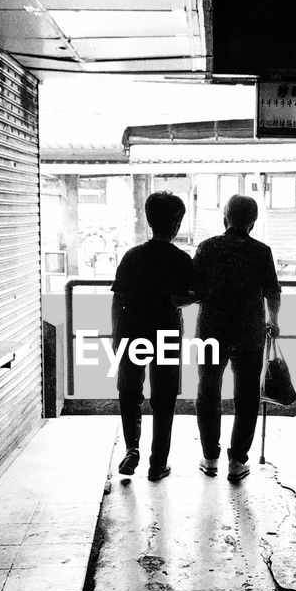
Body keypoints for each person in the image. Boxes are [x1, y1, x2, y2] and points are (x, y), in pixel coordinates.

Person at [192, 194, 281, 481]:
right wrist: (273, 321)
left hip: (211, 330)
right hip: (249, 333)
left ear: (225, 218)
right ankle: (237, 461)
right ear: (253, 223)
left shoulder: (207, 248)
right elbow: (273, 292)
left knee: (208, 392)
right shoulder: (261, 251)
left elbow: (194, 290)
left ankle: (209, 458)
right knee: (246, 397)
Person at [110, 191, 193, 481]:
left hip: (131, 331)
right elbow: (184, 297)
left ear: (149, 220)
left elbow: (117, 299)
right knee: (165, 397)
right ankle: (158, 464)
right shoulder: (181, 259)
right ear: (175, 224)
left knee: (130, 392)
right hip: (167, 332)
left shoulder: (132, 256)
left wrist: (115, 334)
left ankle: (132, 449)